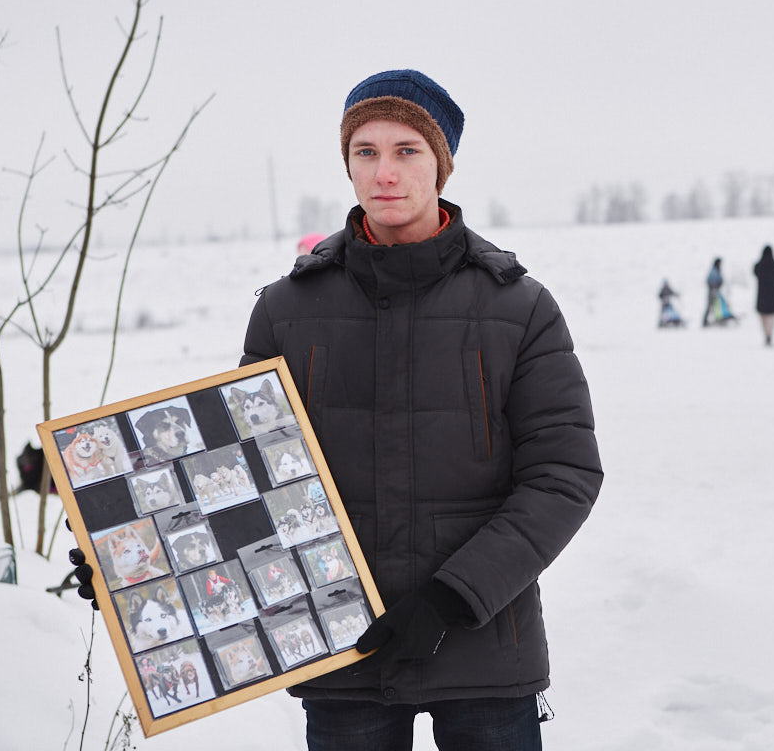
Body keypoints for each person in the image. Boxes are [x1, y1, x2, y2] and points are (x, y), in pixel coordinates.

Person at [240, 69, 603, 750]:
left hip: (485, 646)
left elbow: (564, 475)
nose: (385, 172)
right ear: (346, 165)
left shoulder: (518, 308)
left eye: (407, 150)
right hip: (342, 650)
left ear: (441, 162)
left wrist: (451, 600)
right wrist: (134, 568)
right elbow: (246, 477)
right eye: (365, 152)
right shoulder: (286, 311)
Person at [753, 244, 774, 346]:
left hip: (761, 296)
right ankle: (769, 334)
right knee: (771, 317)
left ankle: (766, 334)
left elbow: (754, 272)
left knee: (763, 317)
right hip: (772, 296)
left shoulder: (759, 265)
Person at [701, 257, 735, 327]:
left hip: (716, 291)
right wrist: (714, 288)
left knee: (718, 304)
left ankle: (720, 316)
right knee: (711, 306)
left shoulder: (717, 270)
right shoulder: (714, 271)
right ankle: (705, 321)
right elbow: (710, 281)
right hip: (712, 291)